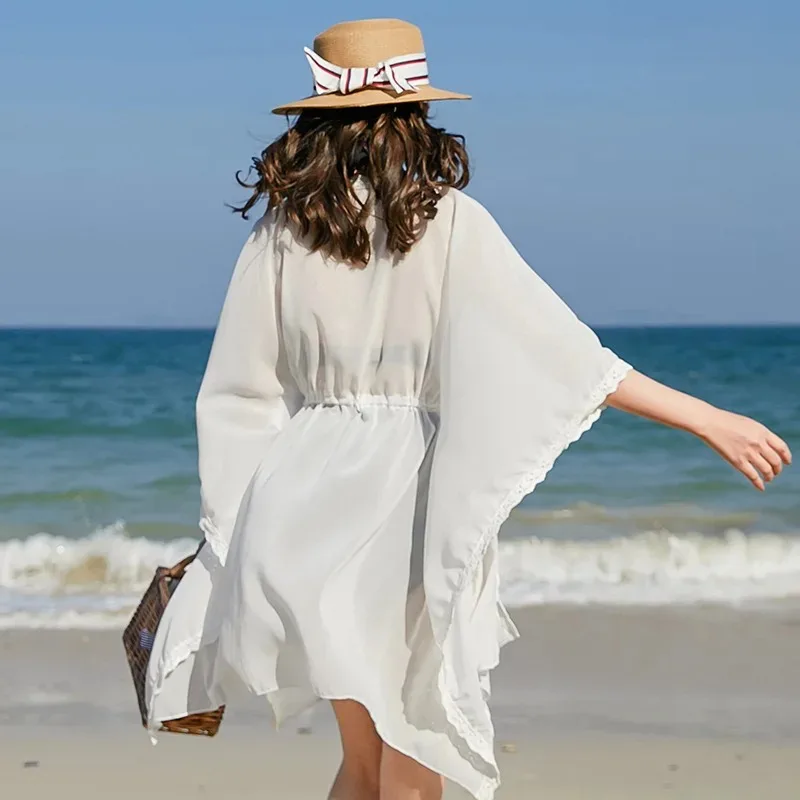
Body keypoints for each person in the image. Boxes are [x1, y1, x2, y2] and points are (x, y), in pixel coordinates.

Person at [144, 18, 791, 800]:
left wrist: (229, 533)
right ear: (413, 118)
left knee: (362, 762)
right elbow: (567, 355)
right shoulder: (447, 223)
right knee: (417, 765)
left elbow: (237, 395)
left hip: (300, 502)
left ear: (315, 122)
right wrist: (706, 417)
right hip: (404, 504)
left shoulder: (282, 233)